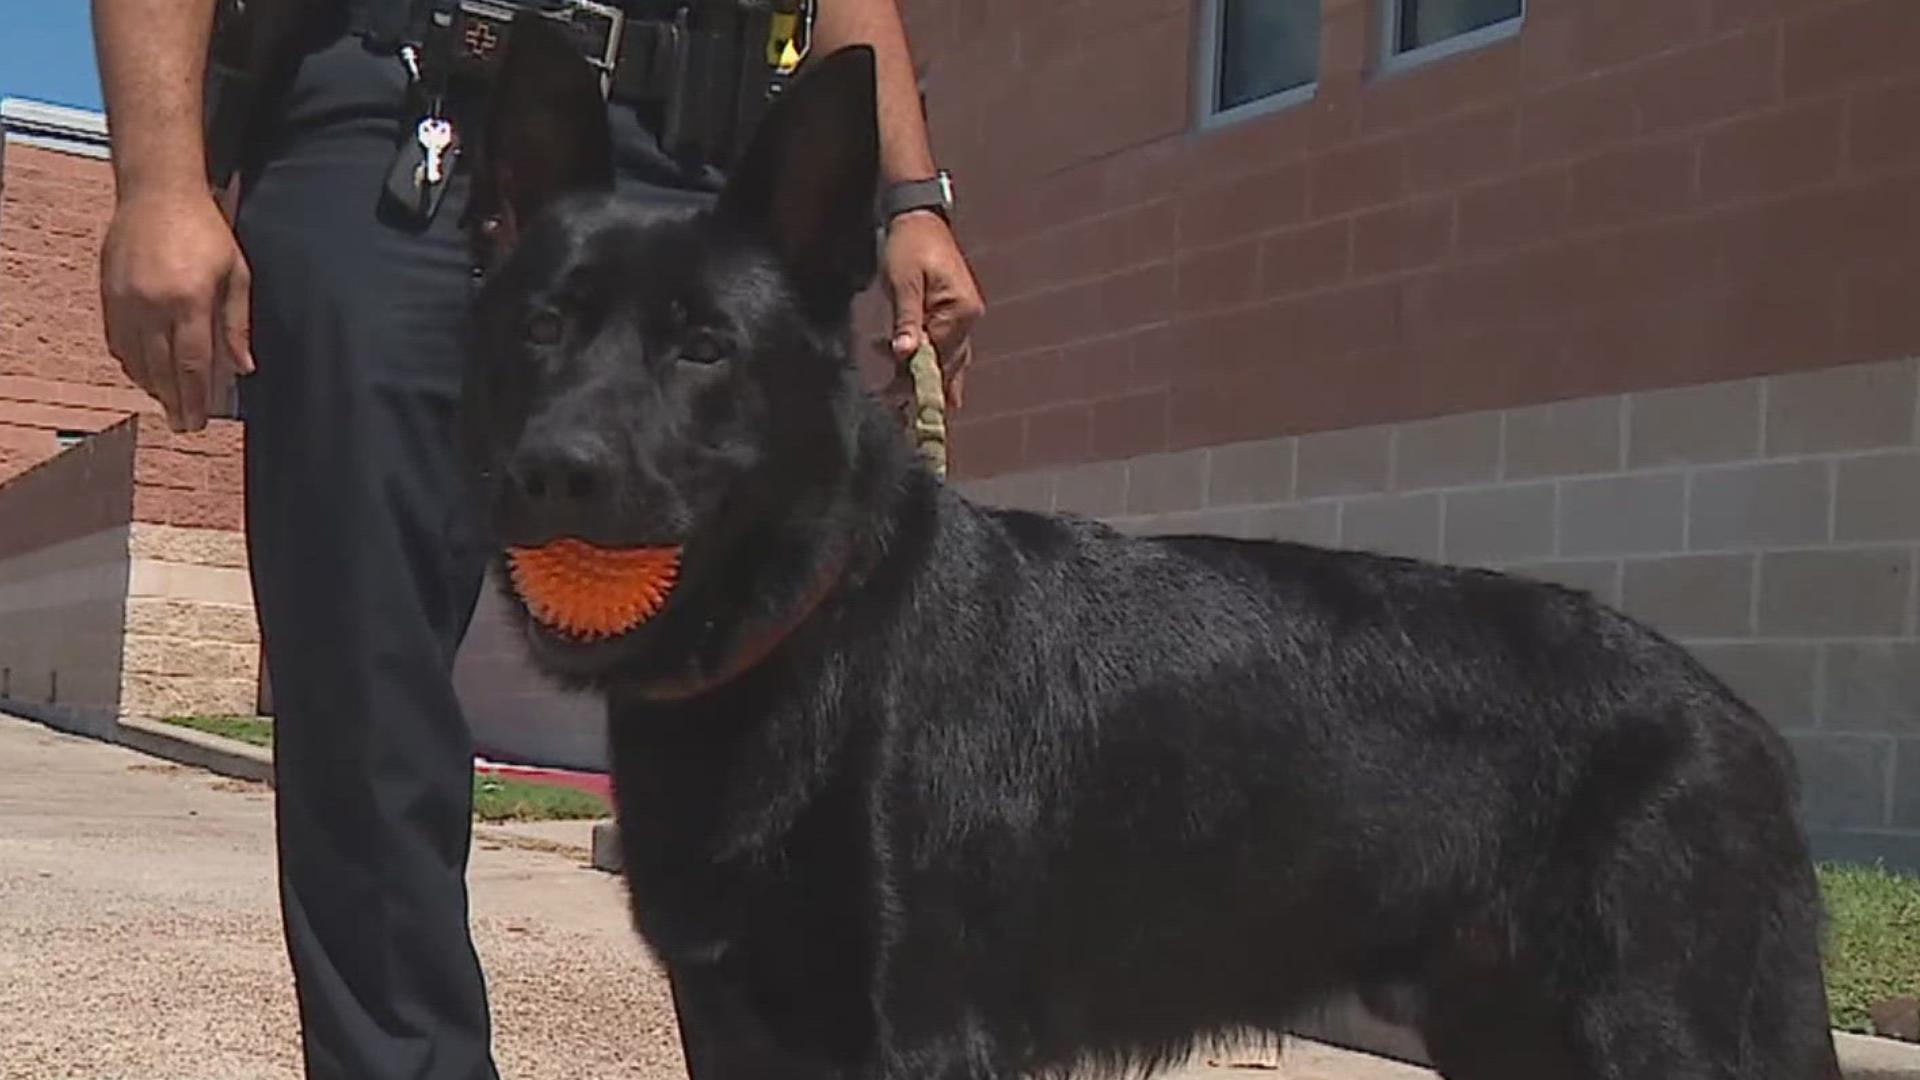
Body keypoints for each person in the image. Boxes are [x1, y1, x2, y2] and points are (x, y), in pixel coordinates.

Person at [88, 2, 985, 1077]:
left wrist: (912, 197)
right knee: (363, 695)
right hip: (394, 130)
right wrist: (156, 176)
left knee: (776, 715)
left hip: (695, 147)